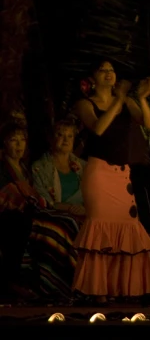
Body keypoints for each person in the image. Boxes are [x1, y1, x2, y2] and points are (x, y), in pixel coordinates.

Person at [70, 60, 150, 303]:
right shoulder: (85, 104)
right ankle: (97, 290)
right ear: (92, 77)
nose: (109, 74)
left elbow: (148, 123)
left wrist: (141, 98)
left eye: (111, 70)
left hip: (121, 175)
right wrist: (119, 99)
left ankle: (126, 288)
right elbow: (98, 128)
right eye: (102, 69)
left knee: (128, 229)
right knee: (100, 230)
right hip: (99, 174)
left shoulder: (126, 102)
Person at [0, 122, 80, 302]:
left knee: (67, 222)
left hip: (29, 214)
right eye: (14, 140)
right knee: (55, 225)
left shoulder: (25, 169)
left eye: (22, 140)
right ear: (4, 143)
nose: (19, 145)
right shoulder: (4, 168)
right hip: (11, 217)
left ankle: (63, 281)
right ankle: (36, 282)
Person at [31, 117, 87, 219]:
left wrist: (85, 209)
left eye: (70, 136)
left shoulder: (83, 166)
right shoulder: (39, 167)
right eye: (60, 135)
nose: (66, 140)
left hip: (84, 216)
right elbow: (44, 200)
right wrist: (70, 208)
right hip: (55, 218)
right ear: (51, 138)